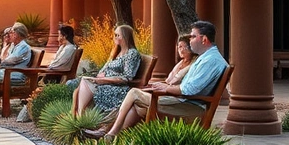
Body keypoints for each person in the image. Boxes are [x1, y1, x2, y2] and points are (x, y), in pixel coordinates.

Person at [89, 20, 228, 138]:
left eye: (192, 37)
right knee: (137, 103)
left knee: (134, 93)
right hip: (183, 102)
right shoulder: (206, 57)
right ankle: (110, 135)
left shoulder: (210, 60)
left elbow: (189, 89)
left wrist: (166, 88)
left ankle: (110, 133)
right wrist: (163, 86)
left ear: (204, 39)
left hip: (189, 107)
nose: (189, 40)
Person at [69, 25, 141, 114]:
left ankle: (80, 115)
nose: (115, 37)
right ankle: (79, 115)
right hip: (105, 82)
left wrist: (104, 80)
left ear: (126, 37)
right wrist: (100, 76)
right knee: (81, 81)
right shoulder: (116, 52)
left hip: (118, 88)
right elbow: (103, 69)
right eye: (115, 35)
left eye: (118, 35)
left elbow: (127, 78)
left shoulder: (132, 53)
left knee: (86, 82)